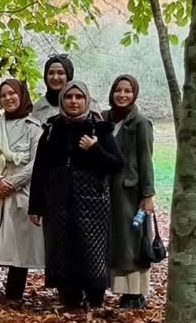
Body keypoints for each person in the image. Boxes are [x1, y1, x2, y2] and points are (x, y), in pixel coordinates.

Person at [29, 82, 122, 310]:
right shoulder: (52, 129)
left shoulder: (99, 129)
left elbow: (117, 164)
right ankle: (69, 298)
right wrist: (35, 206)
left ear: (86, 100)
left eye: (79, 97)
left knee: (92, 251)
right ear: (62, 100)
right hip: (58, 202)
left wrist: (95, 149)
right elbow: (39, 170)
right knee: (62, 249)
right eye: (69, 97)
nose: (74, 101)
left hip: (92, 203)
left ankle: (94, 298)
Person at [0, 78, 43, 301]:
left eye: (12, 93)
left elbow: (36, 161)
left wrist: (13, 183)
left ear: (21, 95)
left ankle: (14, 294)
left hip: (21, 191)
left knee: (19, 242)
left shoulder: (34, 128)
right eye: (3, 95)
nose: (8, 98)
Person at [104, 74, 156, 309]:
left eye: (127, 91)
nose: (122, 95)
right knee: (117, 242)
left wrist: (148, 194)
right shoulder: (105, 119)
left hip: (131, 192)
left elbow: (146, 160)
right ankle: (122, 290)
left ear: (134, 94)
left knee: (132, 242)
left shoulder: (140, 123)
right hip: (109, 191)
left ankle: (136, 293)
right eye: (118, 90)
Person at [31, 53, 75, 125]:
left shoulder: (80, 104)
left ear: (68, 76)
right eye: (51, 73)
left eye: (60, 73)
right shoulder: (38, 107)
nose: (55, 77)